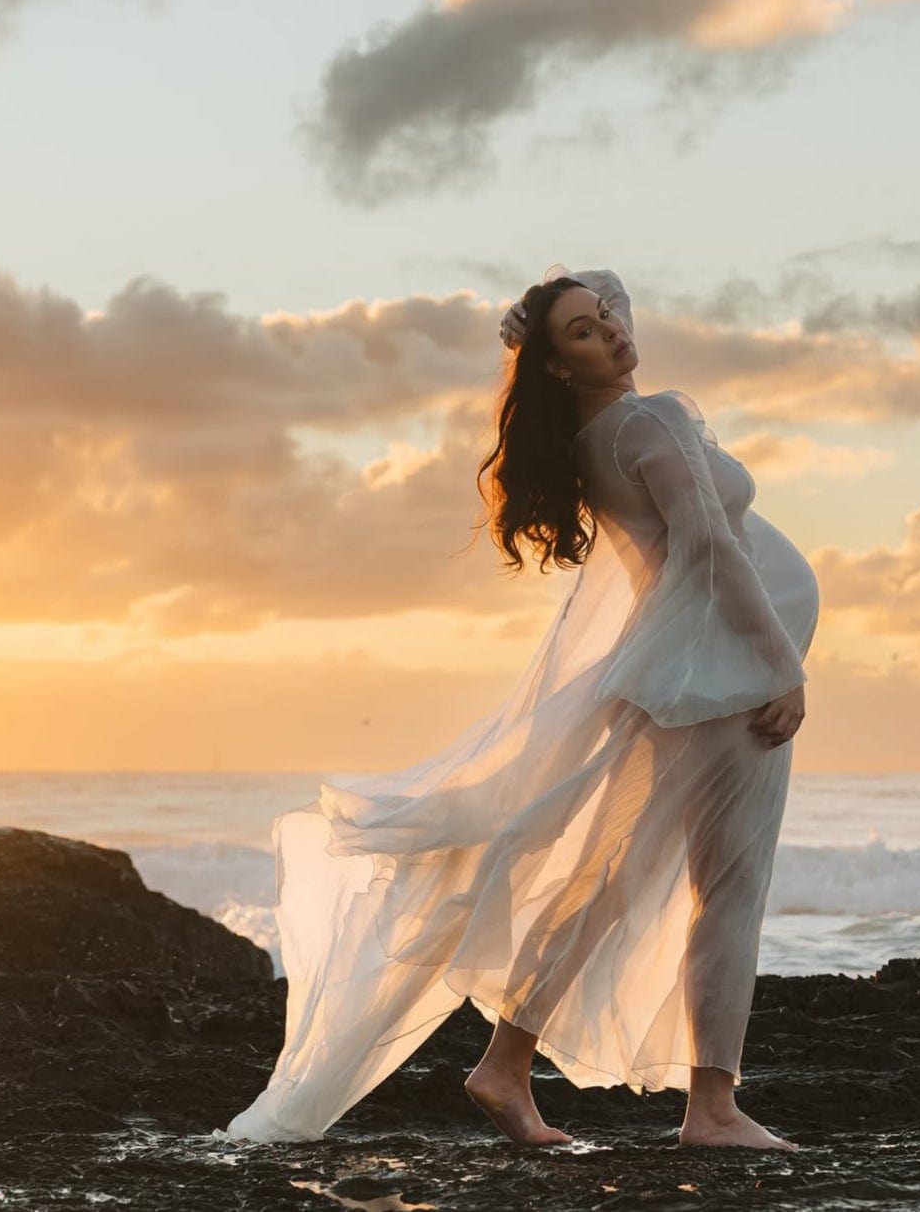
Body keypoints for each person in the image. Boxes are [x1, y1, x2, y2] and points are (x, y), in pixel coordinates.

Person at [212, 265, 818, 1152]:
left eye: (607, 317)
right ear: (557, 370)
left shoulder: (598, 431)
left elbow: (599, 293)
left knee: (608, 877)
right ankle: (711, 1110)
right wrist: (780, 668)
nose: (611, 327)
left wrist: (559, 315)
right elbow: (711, 543)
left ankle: (508, 1061)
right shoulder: (651, 420)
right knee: (723, 887)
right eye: (585, 331)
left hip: (685, 672)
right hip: (722, 676)